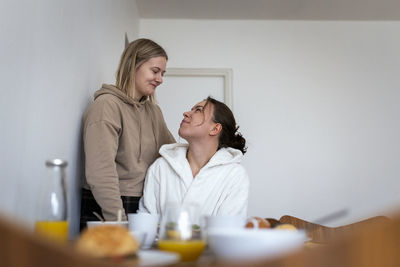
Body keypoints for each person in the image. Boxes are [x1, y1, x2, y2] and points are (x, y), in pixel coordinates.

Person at [80, 39, 175, 229]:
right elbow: (101, 173)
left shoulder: (153, 112)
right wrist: (118, 220)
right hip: (108, 205)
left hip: (143, 206)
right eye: (155, 71)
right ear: (133, 66)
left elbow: (173, 154)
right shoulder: (106, 107)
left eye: (162, 74)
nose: (160, 79)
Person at [138, 96, 249, 219]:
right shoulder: (161, 167)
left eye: (198, 110)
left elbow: (228, 228)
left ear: (215, 128)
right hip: (163, 239)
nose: (185, 113)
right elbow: (146, 221)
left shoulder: (234, 175)